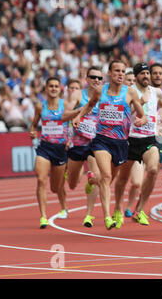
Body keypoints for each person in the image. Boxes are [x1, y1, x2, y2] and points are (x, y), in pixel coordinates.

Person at [72, 60, 147, 230]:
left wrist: (142, 120)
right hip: (101, 139)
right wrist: (78, 117)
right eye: (117, 71)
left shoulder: (131, 93)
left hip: (120, 143)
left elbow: (142, 115)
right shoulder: (101, 90)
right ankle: (107, 216)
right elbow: (90, 105)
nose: (120, 74)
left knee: (108, 179)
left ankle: (93, 181)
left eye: (123, 71)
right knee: (106, 176)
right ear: (110, 73)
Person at [113, 62, 162, 228]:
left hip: (149, 139)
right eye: (142, 74)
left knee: (153, 170)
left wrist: (161, 121)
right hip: (130, 140)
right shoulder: (129, 92)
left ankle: (140, 209)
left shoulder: (156, 92)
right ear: (136, 77)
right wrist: (140, 103)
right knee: (122, 179)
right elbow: (122, 113)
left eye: (148, 74)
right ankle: (117, 209)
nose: (146, 77)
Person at [63, 67, 103, 228]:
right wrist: (81, 111)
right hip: (78, 143)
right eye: (93, 77)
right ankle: (79, 176)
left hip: (96, 142)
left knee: (96, 176)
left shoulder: (105, 96)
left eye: (99, 78)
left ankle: (88, 215)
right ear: (86, 79)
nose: (96, 80)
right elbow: (65, 115)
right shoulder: (78, 95)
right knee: (72, 184)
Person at [30, 77, 70, 229]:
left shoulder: (65, 105)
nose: (53, 88)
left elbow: (74, 122)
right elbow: (34, 124)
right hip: (45, 148)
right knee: (41, 180)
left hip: (60, 150)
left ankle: (64, 206)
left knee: (56, 187)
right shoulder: (40, 107)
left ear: (60, 89)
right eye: (51, 86)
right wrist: (33, 132)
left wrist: (69, 139)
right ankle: (43, 217)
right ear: (46, 89)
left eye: (56, 86)